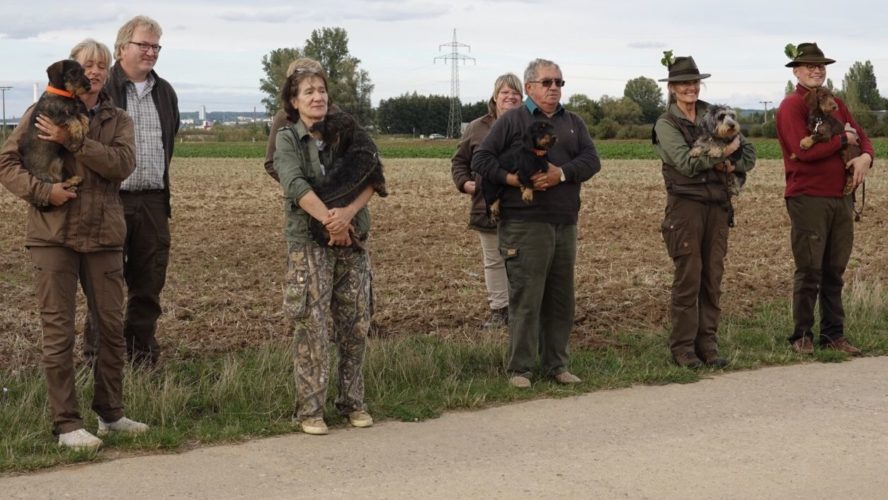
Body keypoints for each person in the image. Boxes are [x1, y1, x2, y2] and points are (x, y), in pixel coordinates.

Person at [0, 39, 148, 450]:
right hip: (53, 235)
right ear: (72, 71)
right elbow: (6, 164)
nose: (95, 72)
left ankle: (111, 415)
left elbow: (122, 165)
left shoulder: (117, 119)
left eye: (101, 65)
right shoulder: (40, 110)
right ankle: (67, 425)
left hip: (103, 234)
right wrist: (45, 194)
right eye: (87, 65)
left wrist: (74, 141)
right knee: (58, 333)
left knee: (112, 329)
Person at [472, 59, 600, 388]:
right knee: (527, 297)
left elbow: (591, 160)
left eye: (559, 82)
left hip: (564, 221)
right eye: (547, 82)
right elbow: (481, 159)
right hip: (524, 223)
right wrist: (514, 180)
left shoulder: (573, 123)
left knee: (560, 298)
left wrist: (562, 174)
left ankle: (557, 365)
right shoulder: (512, 120)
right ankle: (521, 369)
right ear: (529, 87)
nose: (554, 88)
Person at [273, 62, 380, 435]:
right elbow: (294, 184)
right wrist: (329, 222)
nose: (317, 97)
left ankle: (353, 403)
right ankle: (311, 411)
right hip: (309, 243)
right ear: (294, 101)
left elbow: (372, 176)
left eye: (321, 90)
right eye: (308, 92)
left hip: (352, 241)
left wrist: (346, 217)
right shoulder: (288, 138)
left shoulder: (348, 131)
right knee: (312, 327)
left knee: (355, 325)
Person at [85, 15, 180, 366]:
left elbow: (169, 140)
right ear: (122, 47)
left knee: (149, 285)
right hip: (109, 201)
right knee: (105, 287)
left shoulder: (165, 92)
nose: (151, 52)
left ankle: (143, 358)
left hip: (154, 202)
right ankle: (99, 362)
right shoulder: (101, 86)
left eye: (156, 46)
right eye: (144, 45)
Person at [652, 55, 756, 369]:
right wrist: (725, 152)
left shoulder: (715, 114)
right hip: (685, 208)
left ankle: (708, 345)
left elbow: (748, 154)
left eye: (694, 82)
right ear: (672, 88)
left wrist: (731, 163)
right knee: (689, 279)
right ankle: (683, 349)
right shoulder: (665, 124)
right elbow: (685, 163)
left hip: (718, 206)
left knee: (712, 278)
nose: (690, 88)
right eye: (683, 83)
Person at [776, 42, 874, 355]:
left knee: (834, 270)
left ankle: (833, 335)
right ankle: (801, 336)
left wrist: (865, 159)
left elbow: (863, 137)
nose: (817, 70)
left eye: (821, 66)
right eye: (809, 65)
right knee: (809, 269)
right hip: (808, 197)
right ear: (796, 70)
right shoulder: (792, 106)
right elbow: (802, 152)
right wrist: (842, 140)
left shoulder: (836, 103)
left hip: (841, 197)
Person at [450, 73, 523, 330]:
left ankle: (523, 310)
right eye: (505, 92)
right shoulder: (477, 127)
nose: (510, 97)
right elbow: (459, 161)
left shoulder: (529, 123)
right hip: (487, 206)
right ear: (495, 96)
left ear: (522, 97)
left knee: (521, 260)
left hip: (523, 209)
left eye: (515, 93)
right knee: (494, 259)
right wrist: (466, 183)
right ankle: (499, 310)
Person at [263, 58, 324, 182]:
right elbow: (271, 163)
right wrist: (297, 185)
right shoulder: (283, 117)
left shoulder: (336, 114)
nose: (317, 97)